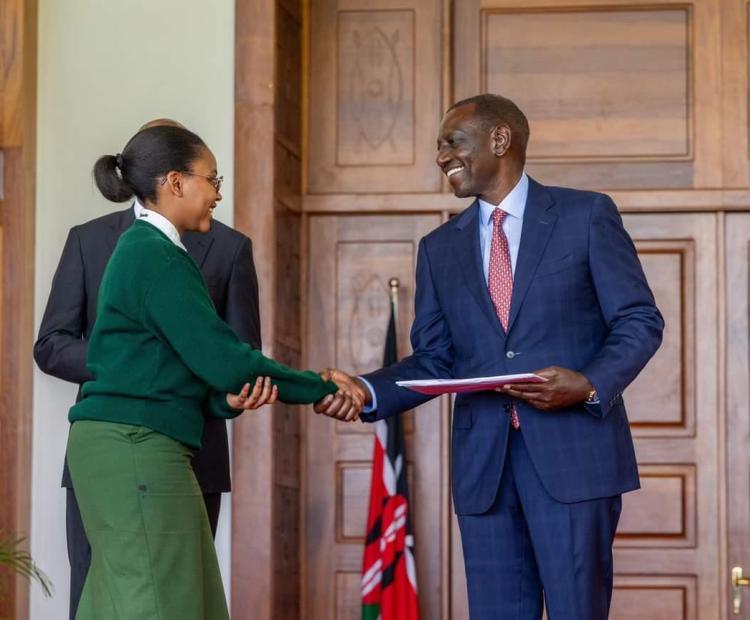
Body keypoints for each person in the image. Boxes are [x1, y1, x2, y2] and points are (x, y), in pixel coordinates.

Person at [318, 94, 664, 619]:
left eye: (450, 142)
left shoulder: (585, 215)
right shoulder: (439, 249)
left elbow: (639, 320)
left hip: (575, 460)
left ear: (499, 139)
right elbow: (434, 359)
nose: (440, 157)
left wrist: (589, 383)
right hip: (485, 472)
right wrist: (366, 389)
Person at [64, 124, 360, 620]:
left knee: (145, 602)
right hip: (135, 448)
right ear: (175, 183)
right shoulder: (154, 255)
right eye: (212, 179)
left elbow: (181, 369)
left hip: (126, 445)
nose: (218, 194)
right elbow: (227, 359)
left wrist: (226, 401)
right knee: (164, 606)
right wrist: (321, 385)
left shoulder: (150, 250)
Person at [34, 118, 264, 619]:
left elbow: (242, 353)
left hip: (192, 456)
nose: (215, 191)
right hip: (104, 462)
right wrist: (129, 363)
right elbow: (51, 345)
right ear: (166, 176)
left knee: (185, 605)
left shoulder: (229, 248)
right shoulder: (87, 241)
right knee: (95, 601)